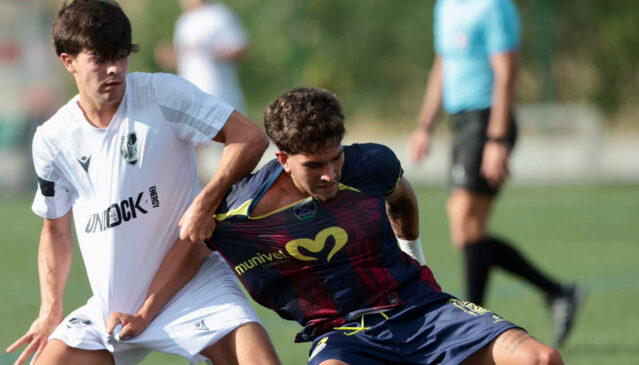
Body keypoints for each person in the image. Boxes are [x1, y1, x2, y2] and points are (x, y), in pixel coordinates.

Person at [123, 87, 564, 364]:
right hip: (342, 336)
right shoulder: (238, 213)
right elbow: (187, 248)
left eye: (336, 157)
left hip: (421, 309)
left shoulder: (370, 164)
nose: (331, 174)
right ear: (282, 160)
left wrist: (415, 258)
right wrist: (143, 314)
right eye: (314, 165)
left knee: (541, 359)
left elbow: (402, 196)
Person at [6, 1, 279, 364]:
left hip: (193, 286)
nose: (114, 69)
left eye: (120, 56)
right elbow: (55, 231)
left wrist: (205, 202)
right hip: (112, 307)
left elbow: (249, 138)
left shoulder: (162, 94)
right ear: (68, 61)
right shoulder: (52, 139)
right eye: (99, 59)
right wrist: (49, 308)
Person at [408, 0, 585, 347]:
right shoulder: (446, 6)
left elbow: (507, 72)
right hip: (462, 123)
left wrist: (497, 137)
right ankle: (556, 293)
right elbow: (442, 64)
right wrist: (424, 125)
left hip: (487, 119)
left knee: (465, 222)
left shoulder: (493, 6)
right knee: (468, 232)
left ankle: (472, 323)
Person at [155, 0, 248, 112]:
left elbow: (241, 49)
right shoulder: (184, 21)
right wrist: (170, 57)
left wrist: (213, 53)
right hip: (191, 100)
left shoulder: (218, 15)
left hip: (220, 95)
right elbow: (185, 60)